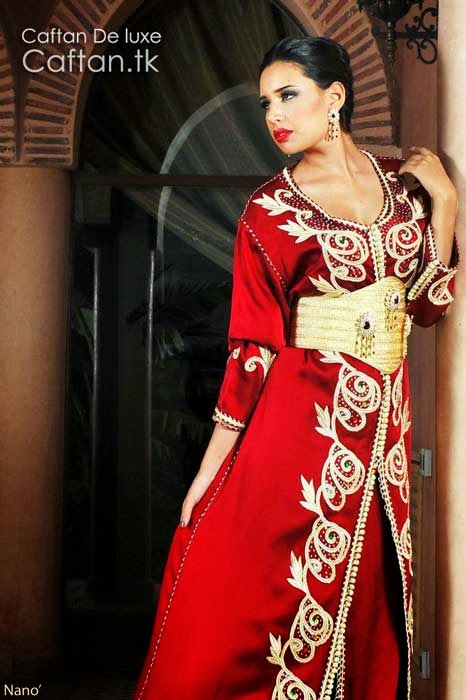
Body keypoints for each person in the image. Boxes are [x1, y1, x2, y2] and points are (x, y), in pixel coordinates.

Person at [133, 37, 459, 700]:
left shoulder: (403, 187)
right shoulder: (268, 214)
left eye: (287, 95)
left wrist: (447, 204)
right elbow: (252, 351)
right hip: (298, 430)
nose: (274, 115)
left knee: (370, 599)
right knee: (264, 602)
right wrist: (210, 470)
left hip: (383, 442)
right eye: (265, 104)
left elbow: (427, 307)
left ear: (335, 96)